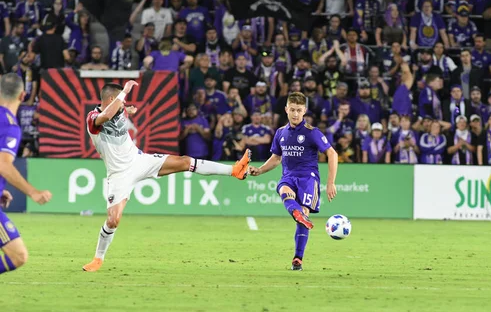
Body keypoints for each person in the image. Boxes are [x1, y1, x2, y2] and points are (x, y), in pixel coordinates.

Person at [82, 81, 252, 272]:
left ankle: (234, 170)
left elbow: (119, 110)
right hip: (118, 174)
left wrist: (128, 108)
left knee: (185, 162)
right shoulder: (93, 117)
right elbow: (106, 115)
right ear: (112, 99)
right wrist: (126, 92)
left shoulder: (119, 108)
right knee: (113, 220)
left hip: (139, 161)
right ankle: (98, 258)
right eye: (121, 99)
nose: (124, 103)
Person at [248, 92, 338, 271]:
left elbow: (332, 153)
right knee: (283, 190)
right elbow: (276, 158)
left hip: (308, 179)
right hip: (288, 176)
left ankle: (298, 258)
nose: (295, 114)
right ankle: (298, 214)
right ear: (286, 110)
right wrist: (259, 170)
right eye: (292, 110)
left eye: (299, 110)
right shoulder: (281, 133)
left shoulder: (313, 133)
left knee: (302, 215)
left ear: (304, 111)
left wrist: (330, 182)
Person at [0, 73, 52, 276]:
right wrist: (33, 192)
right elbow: (3, 165)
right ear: (23, 95)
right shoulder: (9, 125)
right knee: (18, 255)